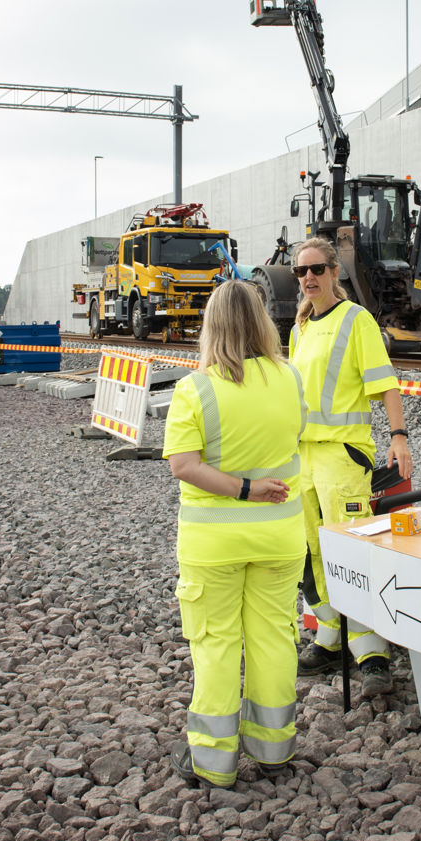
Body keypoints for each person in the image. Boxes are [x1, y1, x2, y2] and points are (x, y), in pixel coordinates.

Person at [163, 280, 307, 787]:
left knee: (216, 643)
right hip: (281, 537)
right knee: (274, 638)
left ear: (211, 324)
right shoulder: (290, 379)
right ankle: (274, 749)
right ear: (263, 321)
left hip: (213, 544)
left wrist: (242, 489)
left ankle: (213, 761)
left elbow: (183, 465)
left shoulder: (195, 387)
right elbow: (294, 440)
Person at [289, 237, 413, 698]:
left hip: (342, 455)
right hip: (302, 456)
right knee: (310, 551)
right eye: (300, 271)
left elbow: (386, 384)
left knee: (351, 552)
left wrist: (398, 437)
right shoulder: (300, 327)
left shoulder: (356, 321)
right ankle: (330, 633)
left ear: (333, 272)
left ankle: (371, 650)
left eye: (317, 269)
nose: (308, 278)